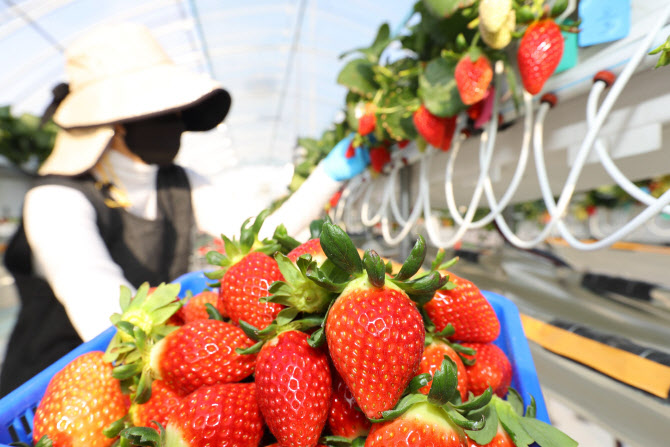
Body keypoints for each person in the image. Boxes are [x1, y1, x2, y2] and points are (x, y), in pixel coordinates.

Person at [0, 23, 369, 396]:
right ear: (113, 122)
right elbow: (97, 301)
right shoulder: (55, 200)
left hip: (149, 382)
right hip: (55, 395)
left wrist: (327, 175)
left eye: (175, 110)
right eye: (159, 111)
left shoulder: (178, 181)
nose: (175, 122)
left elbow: (259, 238)